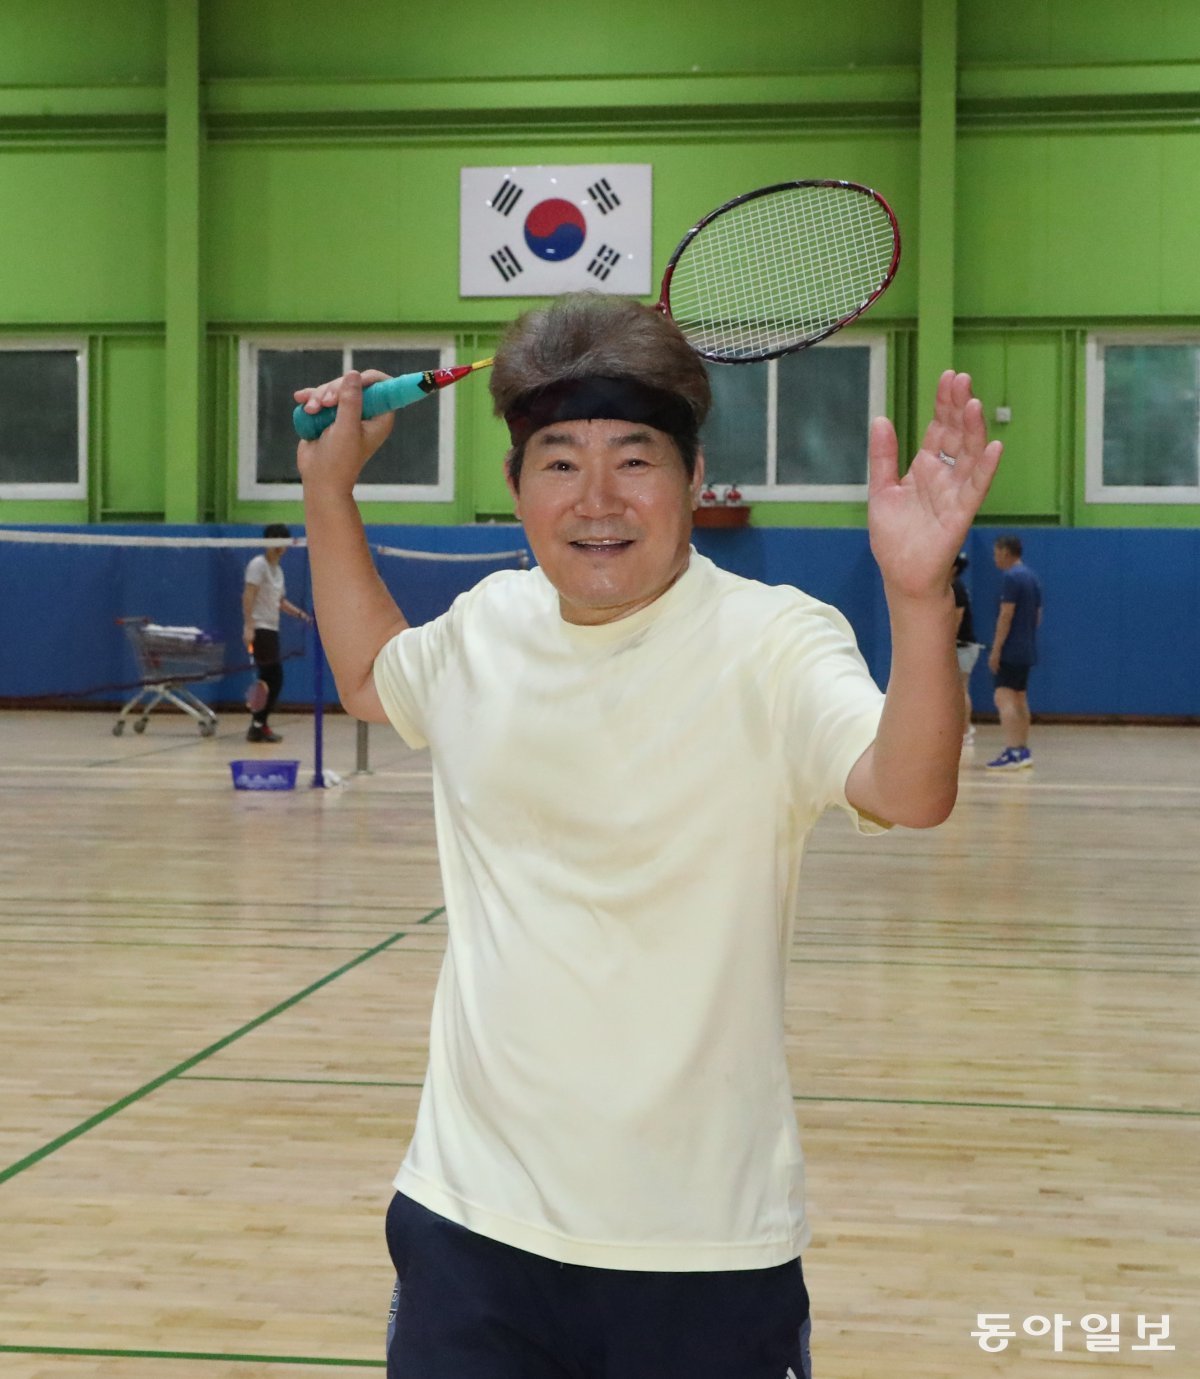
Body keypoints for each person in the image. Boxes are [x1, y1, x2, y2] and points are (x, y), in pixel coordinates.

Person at [294, 294, 1002, 1379]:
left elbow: (909, 792)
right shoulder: (485, 628)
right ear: (516, 484)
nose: (599, 499)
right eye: (560, 461)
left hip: (704, 1247)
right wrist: (327, 487)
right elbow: (364, 673)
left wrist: (918, 599)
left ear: (692, 472)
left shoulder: (771, 642)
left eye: (635, 458)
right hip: (471, 1222)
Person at [241, 522, 310, 743]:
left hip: (272, 628)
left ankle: (258, 725)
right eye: (275, 541)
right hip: (260, 628)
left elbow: (279, 601)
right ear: (267, 543)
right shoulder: (257, 565)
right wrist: (249, 625)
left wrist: (300, 614)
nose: (279, 546)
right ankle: (258, 725)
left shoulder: (278, 570)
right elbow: (248, 595)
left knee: (269, 679)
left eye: (283, 541)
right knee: (273, 677)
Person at [985, 534, 1043, 771]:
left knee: (1003, 697)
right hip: (1027, 647)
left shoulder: (1011, 578)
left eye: (996, 552)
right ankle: (1023, 749)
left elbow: (1006, 615)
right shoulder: (1032, 578)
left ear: (1006, 552)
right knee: (1020, 698)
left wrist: (996, 649)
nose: (994, 557)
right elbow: (1038, 617)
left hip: (1011, 648)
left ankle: (1011, 752)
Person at [952, 551, 982, 744]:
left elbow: (957, 618)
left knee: (961, 689)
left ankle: (965, 731)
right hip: (961, 646)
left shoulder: (955, 587)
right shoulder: (954, 587)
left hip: (962, 647)